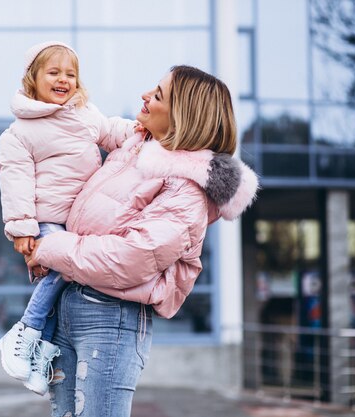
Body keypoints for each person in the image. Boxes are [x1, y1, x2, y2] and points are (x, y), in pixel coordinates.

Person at [26, 65, 260, 417]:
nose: (145, 96)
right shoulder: (132, 152)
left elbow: (131, 259)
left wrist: (50, 248)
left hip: (110, 318)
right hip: (71, 303)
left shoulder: (187, 190)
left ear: (184, 116)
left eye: (159, 94)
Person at [0, 41, 136, 395]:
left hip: (81, 220)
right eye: (54, 72)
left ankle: (41, 351)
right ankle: (25, 330)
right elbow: (15, 179)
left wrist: (142, 133)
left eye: (70, 74)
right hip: (48, 220)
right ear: (33, 79)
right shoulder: (20, 132)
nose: (63, 80)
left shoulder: (85, 114)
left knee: (66, 284)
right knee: (63, 267)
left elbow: (112, 131)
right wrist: (23, 227)